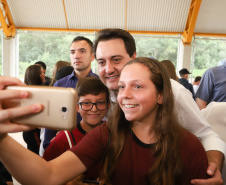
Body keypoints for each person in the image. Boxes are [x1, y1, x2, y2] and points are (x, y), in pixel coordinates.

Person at [0, 58, 209, 185]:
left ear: (161, 96)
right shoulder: (106, 134)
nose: (124, 95)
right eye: (121, 87)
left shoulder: (190, 147)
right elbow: (47, 176)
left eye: (137, 86)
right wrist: (2, 139)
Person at [93, 28, 225, 184]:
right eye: (101, 62)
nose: (108, 69)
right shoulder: (103, 93)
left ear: (133, 57)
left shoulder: (172, 93)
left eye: (116, 60)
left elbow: (207, 135)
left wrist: (212, 169)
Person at [43, 77, 110, 183]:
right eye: (86, 103)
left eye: (100, 103)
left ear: (108, 106)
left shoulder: (115, 134)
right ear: (77, 107)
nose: (94, 109)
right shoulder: (62, 139)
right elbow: (42, 176)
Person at [43, 36, 99, 151]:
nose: (76, 56)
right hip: (65, 146)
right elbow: (51, 120)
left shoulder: (101, 84)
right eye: (72, 52)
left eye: (82, 51)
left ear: (92, 56)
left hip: (94, 146)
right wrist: (48, 146)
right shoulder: (60, 85)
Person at [23, 65, 44, 155]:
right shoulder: (33, 93)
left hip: (32, 132)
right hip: (33, 132)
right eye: (41, 73)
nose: (44, 74)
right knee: (37, 158)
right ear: (35, 75)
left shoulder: (35, 90)